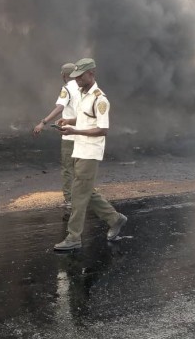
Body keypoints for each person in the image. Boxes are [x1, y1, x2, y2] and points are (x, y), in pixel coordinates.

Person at [53, 58, 127, 251]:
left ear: (91, 74)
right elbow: (85, 119)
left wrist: (74, 131)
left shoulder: (100, 99)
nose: (76, 80)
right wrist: (69, 121)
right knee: (86, 190)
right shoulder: (83, 94)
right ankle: (115, 218)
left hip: (90, 152)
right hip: (79, 148)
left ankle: (74, 237)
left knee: (78, 194)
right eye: (75, 77)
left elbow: (102, 129)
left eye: (80, 77)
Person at [33, 62, 80, 207]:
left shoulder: (67, 89)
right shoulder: (85, 87)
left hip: (70, 135)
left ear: (64, 75)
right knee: (82, 169)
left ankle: (69, 200)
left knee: (68, 169)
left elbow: (60, 107)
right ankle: (82, 197)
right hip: (85, 133)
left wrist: (43, 122)